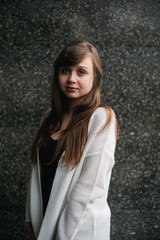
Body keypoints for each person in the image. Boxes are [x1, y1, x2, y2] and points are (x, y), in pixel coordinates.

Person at [25, 41, 117, 240]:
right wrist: (29, 217)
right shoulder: (50, 118)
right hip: (44, 223)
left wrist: (62, 236)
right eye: (66, 70)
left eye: (81, 72)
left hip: (79, 231)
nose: (71, 79)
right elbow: (37, 171)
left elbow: (89, 189)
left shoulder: (101, 118)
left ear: (95, 77)